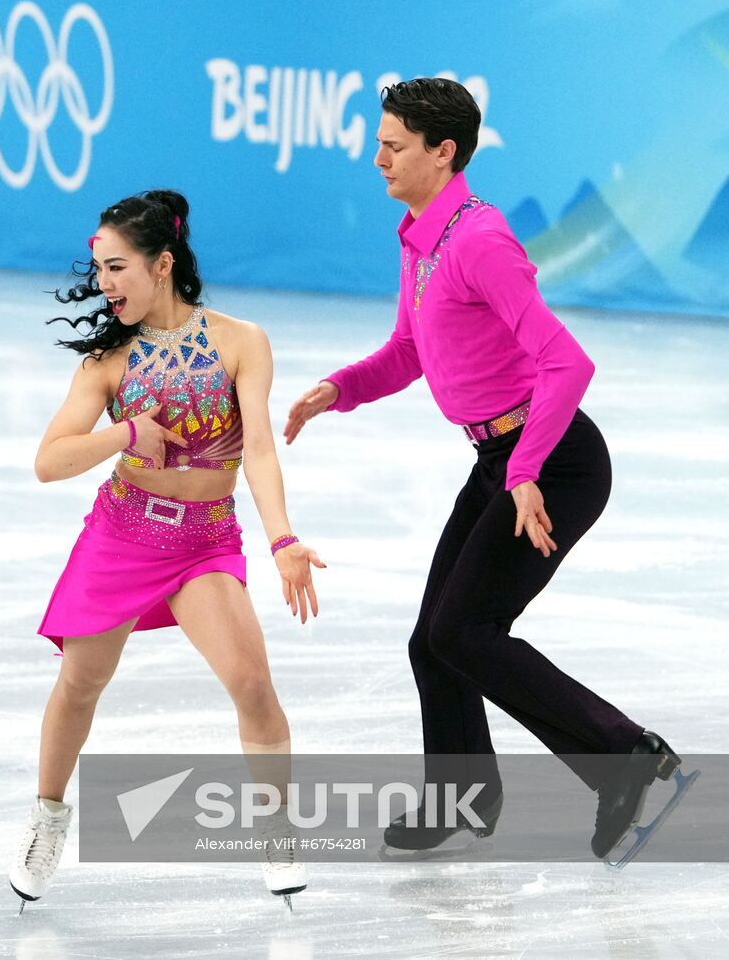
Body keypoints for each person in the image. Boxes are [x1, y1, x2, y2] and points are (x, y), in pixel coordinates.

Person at [284, 78, 694, 864]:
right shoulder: (418, 236)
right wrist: (341, 390)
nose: (377, 159)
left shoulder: (478, 240)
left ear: (443, 153)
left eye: (393, 146)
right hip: (500, 458)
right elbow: (410, 351)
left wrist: (527, 470)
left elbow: (566, 363)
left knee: (465, 630)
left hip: (554, 460)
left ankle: (628, 760)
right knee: (431, 641)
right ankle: (464, 800)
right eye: (378, 143)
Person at [7, 190, 324, 911]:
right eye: (98, 269)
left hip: (204, 541)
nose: (104, 284)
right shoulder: (107, 361)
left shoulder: (243, 341)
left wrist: (282, 540)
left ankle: (277, 830)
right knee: (81, 685)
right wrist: (123, 435)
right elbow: (48, 461)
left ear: (163, 264)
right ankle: (47, 817)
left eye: (117, 267)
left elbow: (261, 453)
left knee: (251, 682)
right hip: (122, 534)